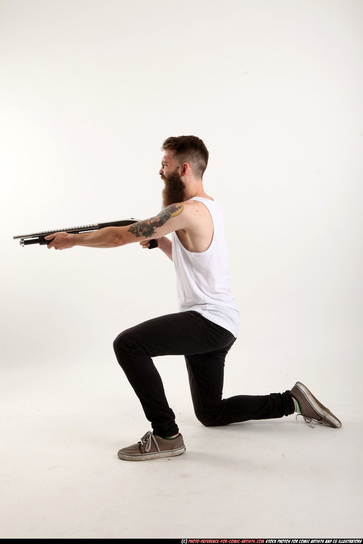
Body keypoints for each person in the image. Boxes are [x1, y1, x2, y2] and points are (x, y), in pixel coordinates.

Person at [46, 135, 342, 461]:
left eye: (165, 165)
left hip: (208, 321)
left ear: (183, 168)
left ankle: (166, 435)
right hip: (219, 324)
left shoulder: (185, 210)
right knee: (211, 413)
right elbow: (195, 265)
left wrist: (72, 240)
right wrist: (162, 244)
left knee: (128, 344)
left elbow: (119, 236)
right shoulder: (207, 209)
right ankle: (293, 401)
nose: (160, 171)